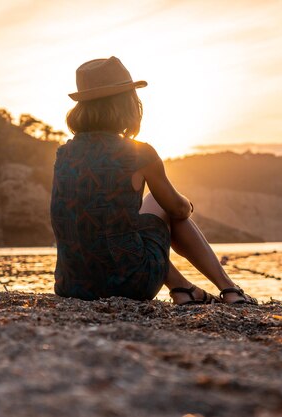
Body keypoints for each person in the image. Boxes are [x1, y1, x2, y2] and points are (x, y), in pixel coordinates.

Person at [50, 56, 256, 305]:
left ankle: (183, 288)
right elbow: (177, 209)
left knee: (118, 225)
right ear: (127, 103)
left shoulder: (64, 154)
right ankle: (229, 289)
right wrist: (186, 204)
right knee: (161, 204)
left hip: (71, 284)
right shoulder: (139, 154)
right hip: (131, 282)